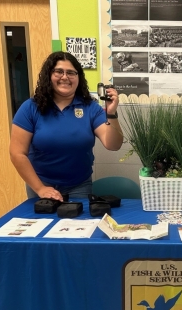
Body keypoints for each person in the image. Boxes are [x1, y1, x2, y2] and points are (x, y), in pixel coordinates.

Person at [9, 51, 123, 201]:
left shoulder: (90, 108)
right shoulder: (30, 108)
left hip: (79, 186)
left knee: (79, 224)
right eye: (58, 72)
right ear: (48, 75)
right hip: (41, 185)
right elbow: (17, 153)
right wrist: (40, 188)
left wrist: (111, 113)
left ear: (78, 78)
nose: (65, 77)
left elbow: (113, 144)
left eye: (71, 73)